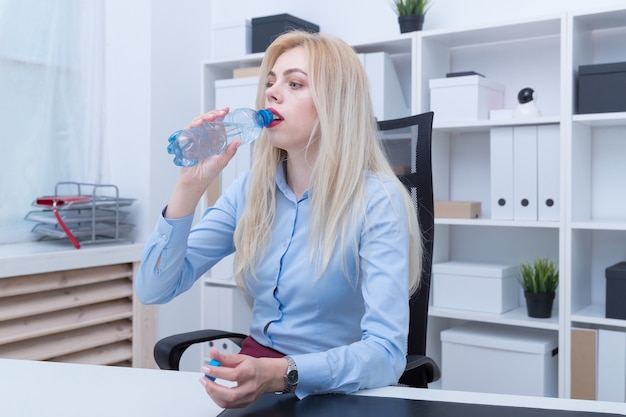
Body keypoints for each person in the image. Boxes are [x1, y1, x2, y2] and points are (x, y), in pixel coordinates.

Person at [135, 30, 421, 409]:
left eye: (295, 83)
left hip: (339, 386)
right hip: (259, 371)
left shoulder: (377, 200)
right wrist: (189, 187)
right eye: (270, 82)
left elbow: (386, 354)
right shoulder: (252, 189)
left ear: (336, 103)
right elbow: (154, 289)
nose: (271, 92)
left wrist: (278, 373)